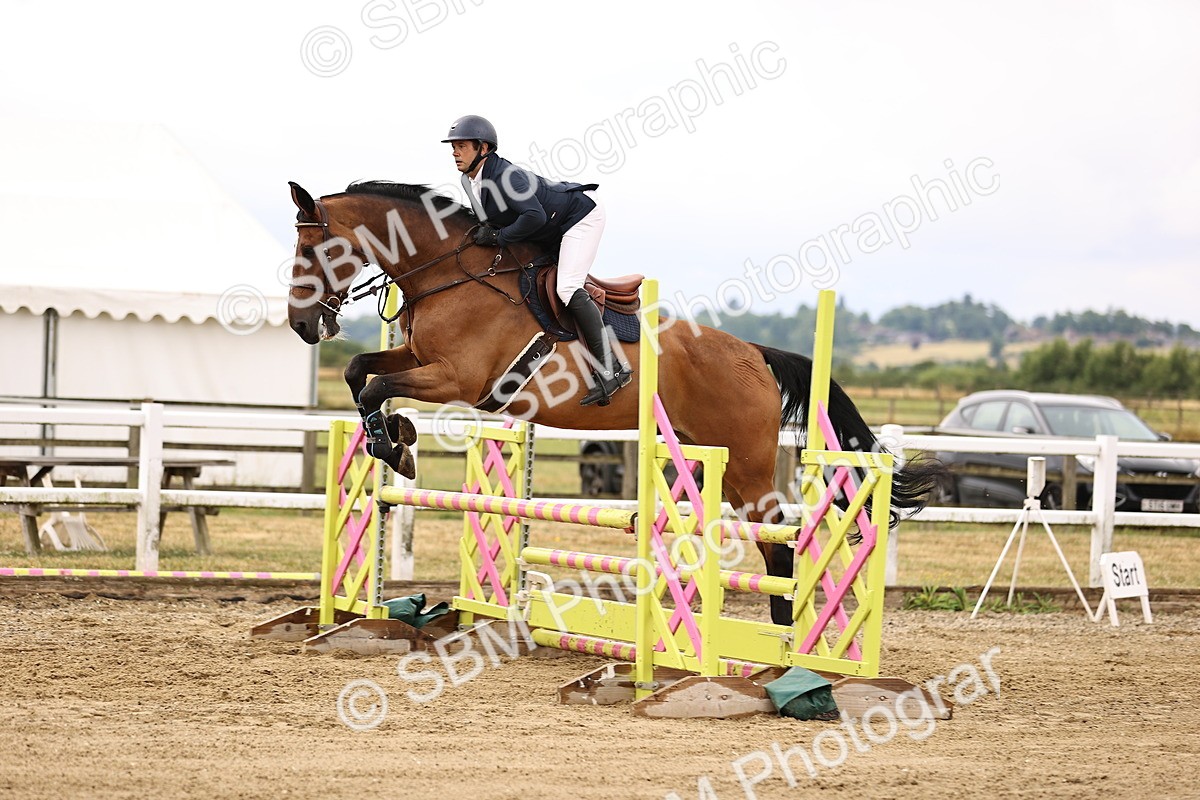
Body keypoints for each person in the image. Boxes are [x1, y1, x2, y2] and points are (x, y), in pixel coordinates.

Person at [442, 114, 632, 406]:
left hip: (580, 217)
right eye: (453, 146)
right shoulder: (470, 181)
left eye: (462, 146)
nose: (455, 152)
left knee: (567, 287)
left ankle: (612, 369)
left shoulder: (507, 176)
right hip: (548, 227)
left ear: (483, 148)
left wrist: (499, 238)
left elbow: (534, 216)